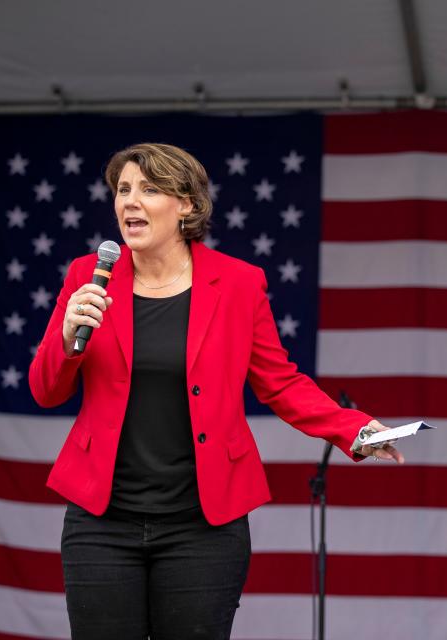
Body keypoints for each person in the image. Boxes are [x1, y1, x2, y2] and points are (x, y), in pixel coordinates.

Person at [28, 142, 403, 639]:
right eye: (123, 190)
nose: (129, 202)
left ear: (186, 204)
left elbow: (280, 382)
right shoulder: (87, 276)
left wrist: (354, 429)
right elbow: (46, 391)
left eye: (149, 189)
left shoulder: (238, 284)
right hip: (101, 522)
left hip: (201, 526)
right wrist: (66, 339)